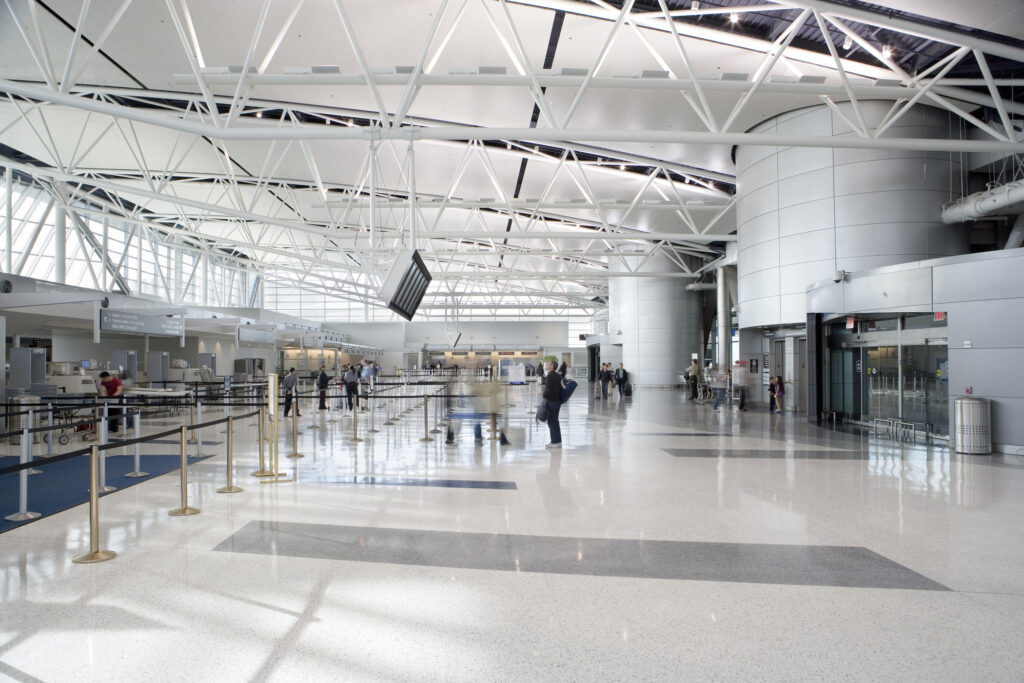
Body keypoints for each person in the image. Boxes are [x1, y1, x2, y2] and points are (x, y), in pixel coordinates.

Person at [542, 359, 562, 449]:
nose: (547, 365)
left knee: (551, 422)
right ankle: (558, 441)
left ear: (551, 366)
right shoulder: (558, 375)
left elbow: (548, 389)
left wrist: (544, 396)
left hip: (551, 401)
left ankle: (554, 442)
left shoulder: (549, 375)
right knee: (555, 421)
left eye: (548, 364)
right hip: (557, 401)